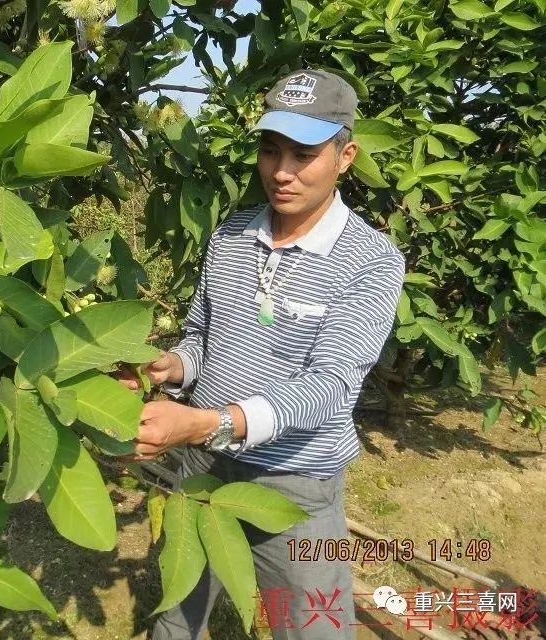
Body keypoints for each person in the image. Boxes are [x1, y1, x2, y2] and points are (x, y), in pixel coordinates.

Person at [119, 69, 406, 639]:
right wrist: (171, 368)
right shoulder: (231, 234)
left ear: (345, 156)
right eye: (270, 150)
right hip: (204, 464)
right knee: (178, 613)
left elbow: (329, 386)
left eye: (304, 154)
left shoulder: (370, 261)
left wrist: (210, 422)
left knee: (315, 628)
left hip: (295, 482)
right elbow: (204, 337)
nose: (281, 172)